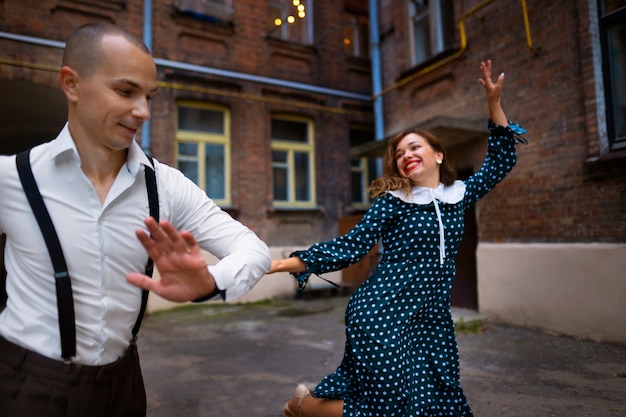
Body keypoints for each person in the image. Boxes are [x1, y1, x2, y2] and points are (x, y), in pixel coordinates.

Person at [0, 23, 271, 417]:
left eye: (148, 96)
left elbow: (253, 248)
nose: (143, 111)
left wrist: (211, 281)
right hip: (27, 384)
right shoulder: (12, 177)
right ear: (71, 84)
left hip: (123, 386)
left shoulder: (166, 186)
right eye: (126, 91)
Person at [270, 59, 527, 417]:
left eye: (414, 147)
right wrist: (280, 263)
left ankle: (308, 403)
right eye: (400, 153)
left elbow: (501, 160)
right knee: (387, 409)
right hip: (382, 313)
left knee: (441, 401)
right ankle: (303, 407)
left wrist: (494, 104)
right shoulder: (394, 203)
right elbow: (350, 246)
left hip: (431, 318)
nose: (406, 155)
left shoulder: (459, 194)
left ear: (438, 154)